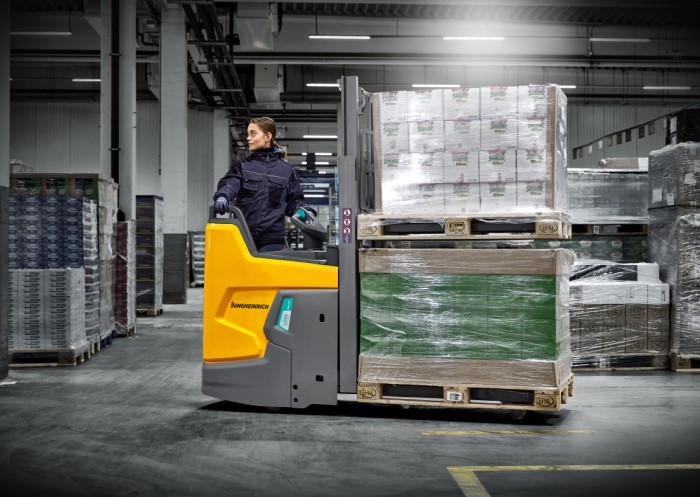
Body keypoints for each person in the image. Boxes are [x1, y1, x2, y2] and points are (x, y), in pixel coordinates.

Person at [213, 116, 316, 253]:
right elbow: (230, 184)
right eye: (248, 134)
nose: (248, 138)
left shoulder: (287, 171)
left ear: (268, 136)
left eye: (253, 134)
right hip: (243, 236)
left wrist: (303, 211)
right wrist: (223, 196)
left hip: (272, 240)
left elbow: (294, 202)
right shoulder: (242, 166)